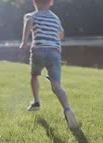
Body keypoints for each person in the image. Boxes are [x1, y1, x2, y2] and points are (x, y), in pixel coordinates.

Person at [19, 0, 79, 129]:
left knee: (34, 75)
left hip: (38, 50)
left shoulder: (31, 15)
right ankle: (67, 109)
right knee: (56, 86)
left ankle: (36, 101)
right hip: (54, 52)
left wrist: (24, 41)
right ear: (51, 2)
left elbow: (29, 22)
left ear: (34, 2)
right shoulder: (55, 17)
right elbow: (61, 34)